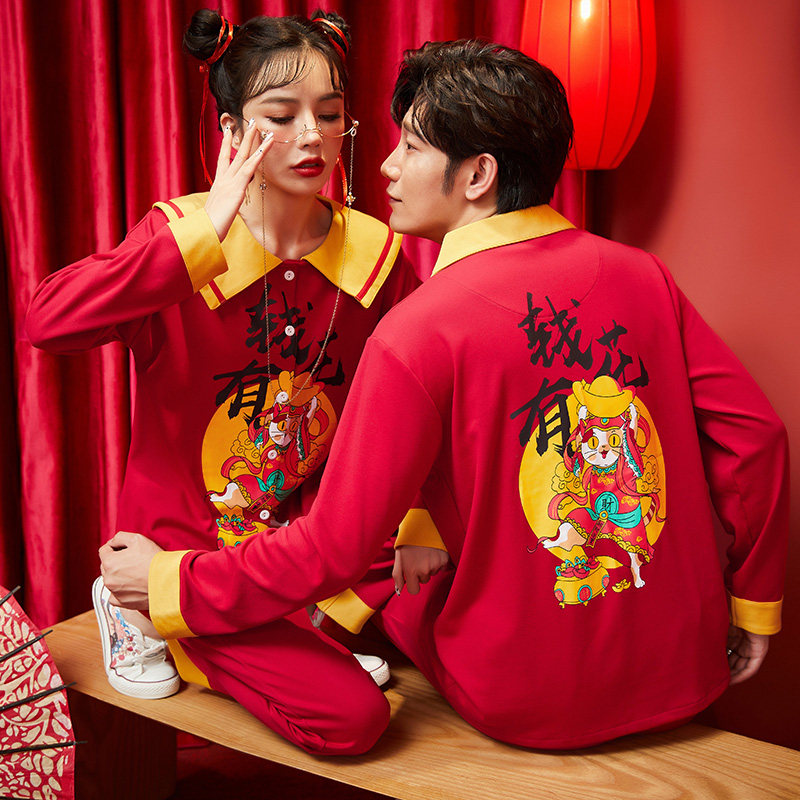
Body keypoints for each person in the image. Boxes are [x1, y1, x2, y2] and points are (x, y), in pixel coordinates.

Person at [100, 40, 788, 750]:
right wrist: (753, 606)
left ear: (478, 174)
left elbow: (333, 547)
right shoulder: (646, 276)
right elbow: (756, 439)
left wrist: (171, 584)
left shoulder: (417, 329)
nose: (387, 166)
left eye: (411, 146)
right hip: (687, 671)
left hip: (525, 699)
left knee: (373, 563)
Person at [26, 9, 424, 754]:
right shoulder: (179, 239)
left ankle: (287, 628)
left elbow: (421, 410)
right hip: (188, 551)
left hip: (307, 553)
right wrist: (203, 232)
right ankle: (138, 608)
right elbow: (47, 321)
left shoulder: (375, 257)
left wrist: (410, 535)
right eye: (281, 115)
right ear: (232, 130)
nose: (312, 135)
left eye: (329, 114)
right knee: (354, 717)